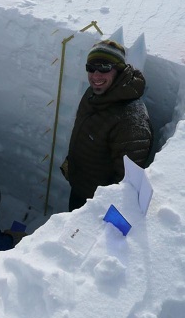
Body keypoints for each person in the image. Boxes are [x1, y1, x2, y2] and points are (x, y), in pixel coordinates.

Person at [61, 39, 153, 212]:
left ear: (118, 70)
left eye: (104, 68)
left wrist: (102, 212)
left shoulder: (131, 119)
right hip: (80, 186)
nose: (96, 76)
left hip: (96, 205)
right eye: (91, 68)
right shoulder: (94, 93)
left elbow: (127, 182)